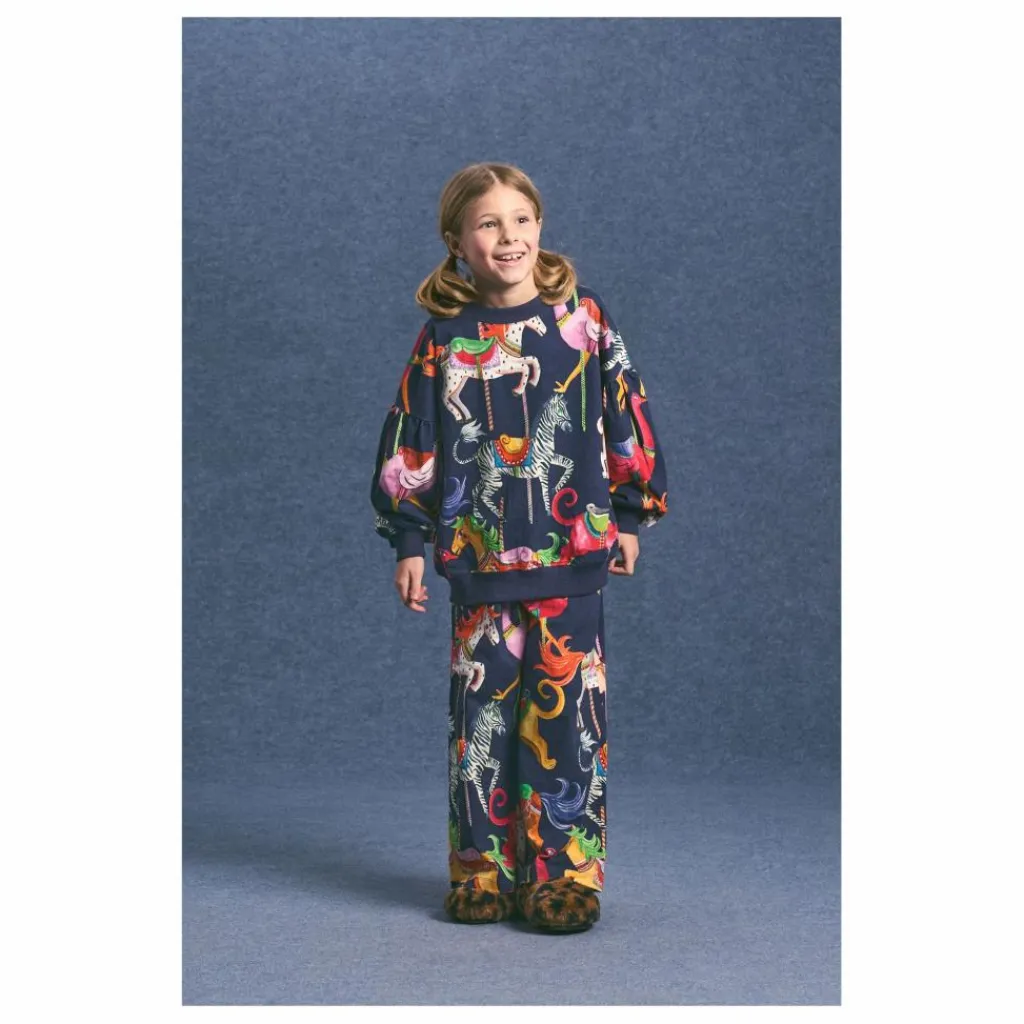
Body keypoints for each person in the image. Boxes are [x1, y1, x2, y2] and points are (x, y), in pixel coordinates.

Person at [370, 162, 668, 932]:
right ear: (457, 241)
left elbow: (624, 409)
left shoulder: (583, 320)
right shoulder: (445, 339)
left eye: (522, 219)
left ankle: (565, 876)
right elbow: (413, 437)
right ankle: (482, 871)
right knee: (482, 724)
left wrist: (629, 513)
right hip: (482, 567)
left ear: (540, 226)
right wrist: (409, 538)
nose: (509, 237)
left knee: (570, 723)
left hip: (573, 561)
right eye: (489, 223)